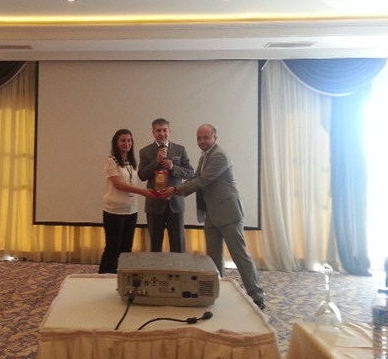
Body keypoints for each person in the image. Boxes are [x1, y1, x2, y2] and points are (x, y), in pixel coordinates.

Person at [160, 124, 265, 309]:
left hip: (228, 213)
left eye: (206, 137)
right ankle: (219, 292)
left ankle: (257, 297)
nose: (202, 141)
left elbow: (203, 180)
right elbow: (196, 178)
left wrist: (176, 190)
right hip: (212, 213)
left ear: (215, 138)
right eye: (199, 137)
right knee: (213, 257)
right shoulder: (205, 156)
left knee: (240, 256)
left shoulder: (219, 156)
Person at [99, 129, 157, 274]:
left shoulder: (131, 162)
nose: (127, 143)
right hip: (114, 211)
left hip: (131, 210)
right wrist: (142, 191)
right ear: (116, 143)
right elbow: (118, 184)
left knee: (126, 248)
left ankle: (121, 277)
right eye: (123, 140)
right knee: (113, 248)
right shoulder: (111, 161)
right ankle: (104, 277)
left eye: (129, 140)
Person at [138, 118, 194, 253]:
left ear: (170, 132)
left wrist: (173, 167)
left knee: (178, 244)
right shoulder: (145, 151)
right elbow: (142, 175)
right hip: (154, 204)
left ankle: (178, 266)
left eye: (164, 130)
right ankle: (156, 266)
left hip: (175, 203)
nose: (162, 134)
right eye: (158, 131)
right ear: (153, 133)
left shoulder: (180, 149)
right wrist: (156, 162)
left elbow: (190, 173)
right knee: (155, 245)